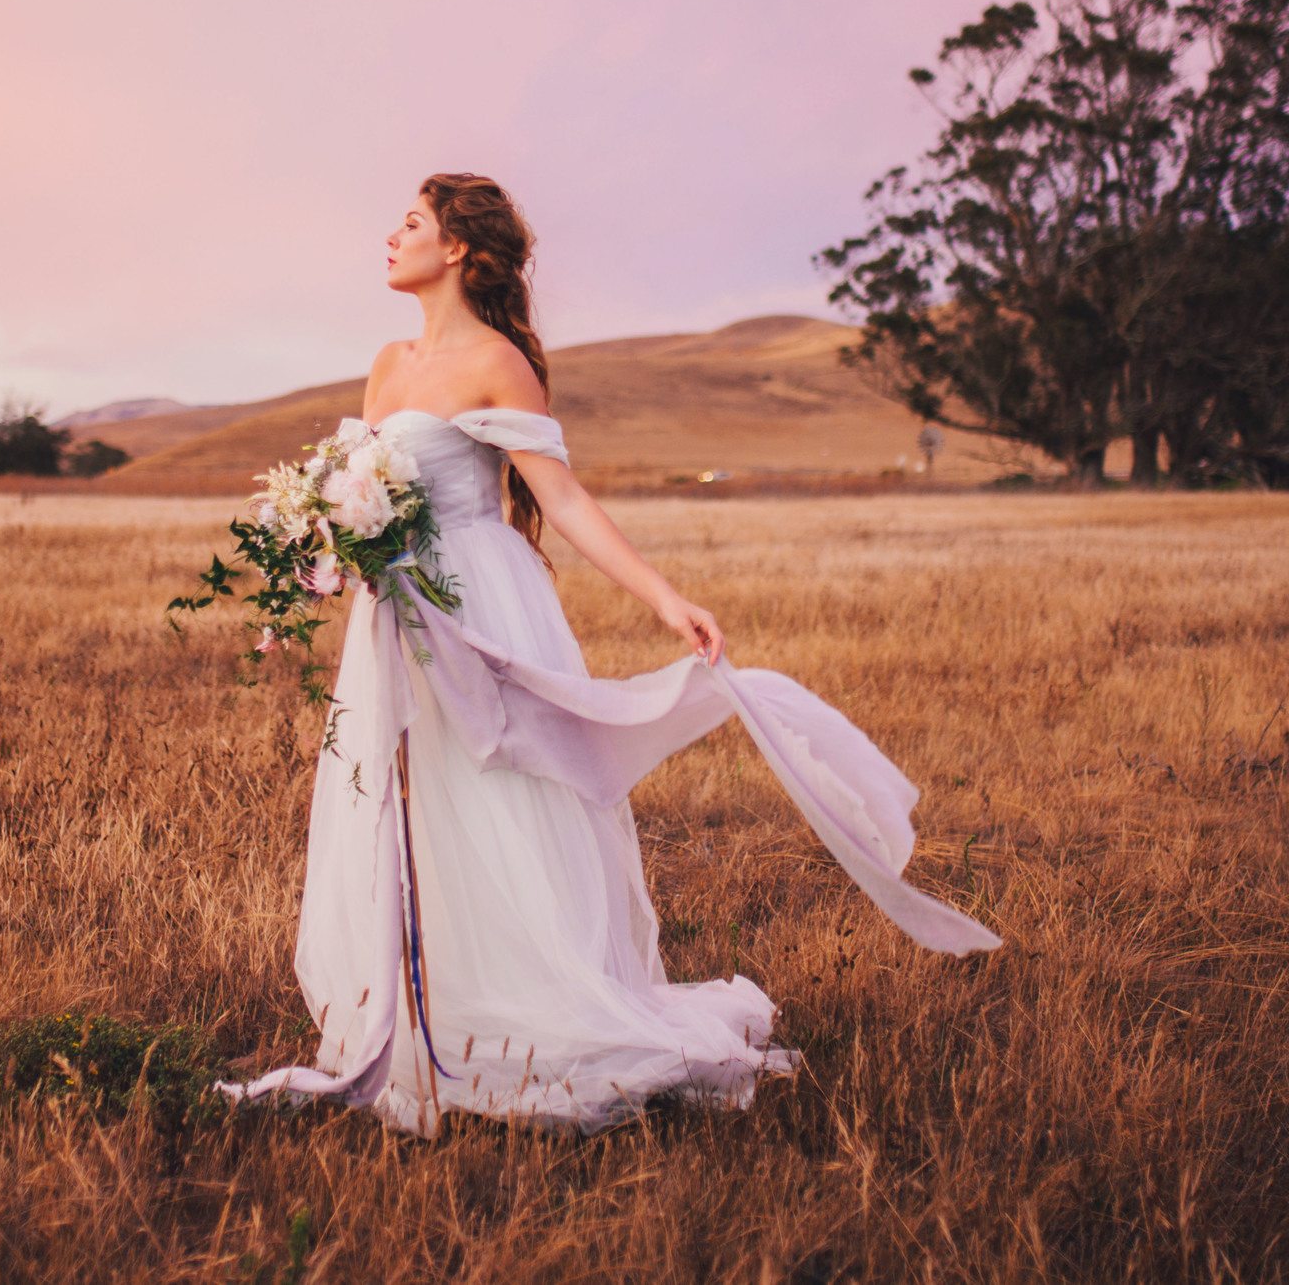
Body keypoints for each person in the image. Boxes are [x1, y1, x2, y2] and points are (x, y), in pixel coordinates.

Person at [224, 174, 998, 1137]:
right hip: (398, 611)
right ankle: (435, 1013)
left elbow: (565, 501)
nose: (391, 235)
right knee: (414, 808)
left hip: (484, 600)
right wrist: (326, 542)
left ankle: (542, 1012)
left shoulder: (502, 364)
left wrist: (668, 597)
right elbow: (359, 484)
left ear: (459, 247)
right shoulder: (385, 364)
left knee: (505, 796)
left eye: (412, 223)